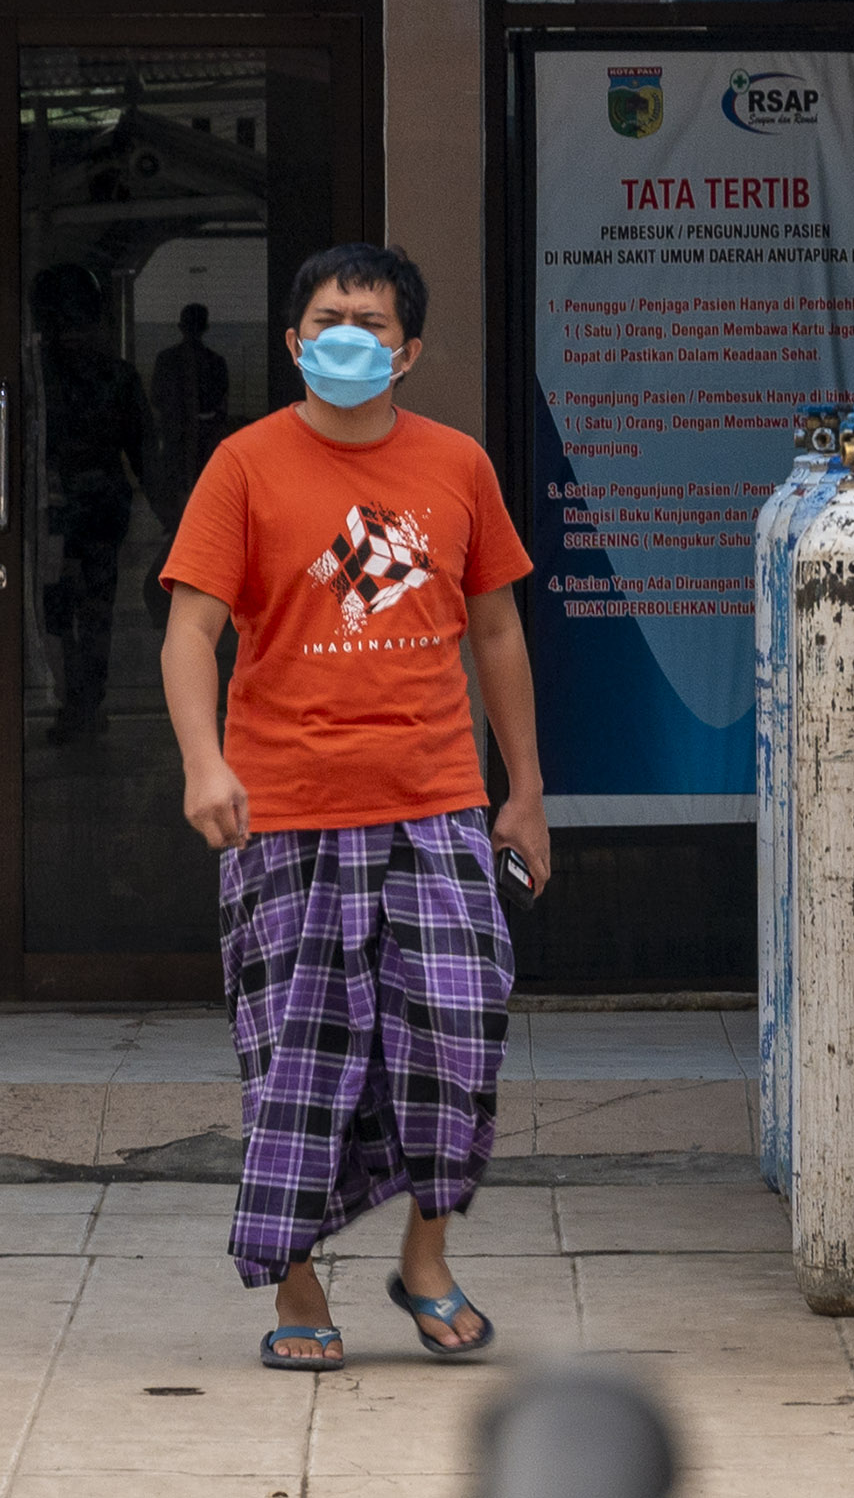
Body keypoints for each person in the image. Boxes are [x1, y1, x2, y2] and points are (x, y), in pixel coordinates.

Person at [157, 241, 548, 1371]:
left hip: (436, 801)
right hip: (284, 809)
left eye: (371, 324)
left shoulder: (457, 464)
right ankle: (298, 1281)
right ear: (293, 341)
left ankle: (424, 1256)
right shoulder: (243, 465)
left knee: (457, 1035)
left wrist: (524, 791)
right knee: (297, 1057)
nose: (347, 339)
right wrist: (202, 764)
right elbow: (189, 631)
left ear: (408, 350)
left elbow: (497, 630)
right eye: (328, 319)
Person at [34, 263, 154, 739]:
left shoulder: (40, 377)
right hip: (103, 509)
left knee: (58, 610)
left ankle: (73, 703)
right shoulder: (117, 376)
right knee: (96, 610)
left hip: (55, 510)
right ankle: (87, 704)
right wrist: (173, 513)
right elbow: (144, 454)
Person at [149, 301, 235, 527]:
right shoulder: (215, 362)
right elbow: (221, 401)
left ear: (181, 326)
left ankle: (175, 525)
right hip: (204, 433)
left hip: (174, 431)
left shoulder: (166, 360)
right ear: (205, 327)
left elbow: (156, 397)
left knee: (174, 480)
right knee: (202, 481)